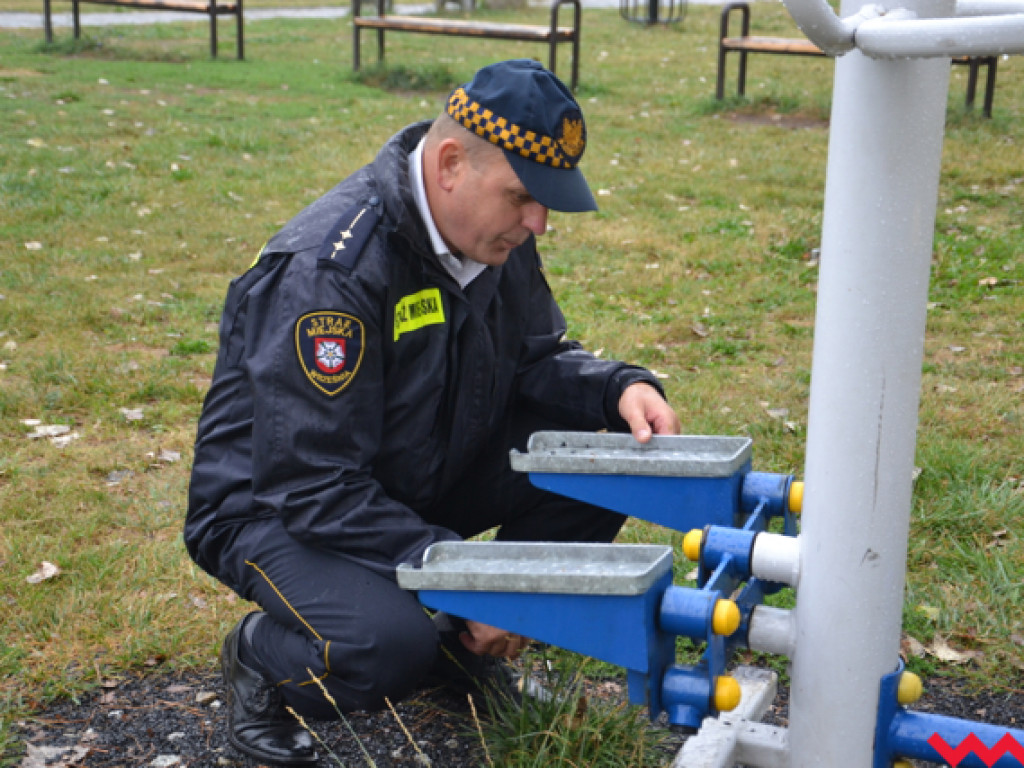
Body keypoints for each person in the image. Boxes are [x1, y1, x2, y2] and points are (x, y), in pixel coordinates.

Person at [184, 58, 681, 766]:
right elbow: (311, 483)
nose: (539, 222)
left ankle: (461, 650)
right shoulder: (334, 271)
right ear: (451, 164)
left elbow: (534, 357)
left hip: (406, 470)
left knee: (600, 452)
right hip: (274, 505)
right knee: (385, 647)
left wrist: (617, 388)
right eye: (522, 197)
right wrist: (465, 581)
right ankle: (262, 661)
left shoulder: (492, 236)